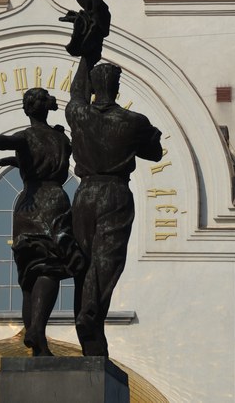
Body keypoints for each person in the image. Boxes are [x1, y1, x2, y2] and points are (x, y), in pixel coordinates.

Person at [0, 88, 82, 356]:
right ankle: (37, 336)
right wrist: (11, 159)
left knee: (32, 272)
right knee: (48, 266)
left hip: (30, 203)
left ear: (27, 109)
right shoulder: (61, 140)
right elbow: (31, 156)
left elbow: (9, 142)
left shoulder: (26, 137)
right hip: (55, 201)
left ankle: (35, 330)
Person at [65, 56, 163, 357]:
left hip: (84, 194)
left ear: (94, 87)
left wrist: (85, 55)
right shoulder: (133, 122)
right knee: (106, 262)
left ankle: (89, 329)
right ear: (117, 88)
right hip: (115, 193)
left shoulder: (79, 114)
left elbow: (75, 94)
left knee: (83, 263)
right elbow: (155, 153)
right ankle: (91, 315)